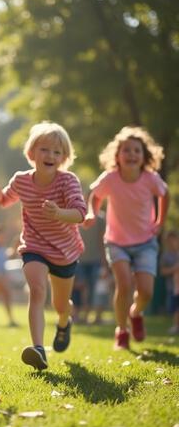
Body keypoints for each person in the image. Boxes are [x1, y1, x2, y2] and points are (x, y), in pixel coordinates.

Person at [0, 121, 86, 370]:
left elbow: (79, 212)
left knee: (60, 305)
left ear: (64, 157)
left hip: (65, 251)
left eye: (57, 152)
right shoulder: (22, 180)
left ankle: (64, 322)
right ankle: (39, 349)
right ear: (31, 152)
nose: (50, 156)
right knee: (37, 290)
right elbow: (6, 200)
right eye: (44, 149)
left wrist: (59, 214)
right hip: (34, 245)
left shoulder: (68, 181)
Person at [84, 126, 168, 350]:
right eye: (127, 150)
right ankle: (122, 331)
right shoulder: (111, 178)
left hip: (145, 242)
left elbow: (164, 194)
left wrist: (159, 221)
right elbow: (95, 196)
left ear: (144, 157)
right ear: (117, 156)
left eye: (137, 151)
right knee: (124, 284)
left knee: (146, 291)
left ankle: (136, 313)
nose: (132, 154)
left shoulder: (150, 178)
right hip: (117, 241)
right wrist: (92, 212)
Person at [71, 212, 106, 324]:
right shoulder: (76, 215)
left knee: (91, 288)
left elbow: (102, 240)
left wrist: (104, 262)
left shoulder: (100, 219)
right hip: (78, 258)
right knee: (77, 287)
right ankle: (76, 315)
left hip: (95, 259)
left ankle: (87, 316)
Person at [159, 230, 179, 335]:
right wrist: (174, 269)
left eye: (174, 240)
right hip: (172, 287)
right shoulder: (165, 256)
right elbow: (162, 271)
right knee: (175, 308)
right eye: (169, 241)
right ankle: (176, 326)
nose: (172, 243)